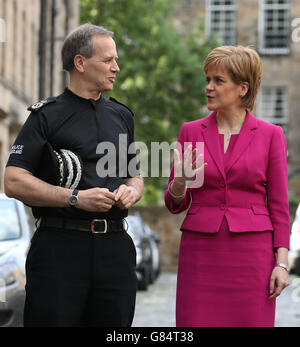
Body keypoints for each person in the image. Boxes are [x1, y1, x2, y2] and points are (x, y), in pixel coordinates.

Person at [4, 23, 143, 327]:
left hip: (116, 249)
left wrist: (132, 190)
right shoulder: (45, 116)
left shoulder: (122, 116)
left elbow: (134, 175)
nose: (116, 68)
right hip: (59, 247)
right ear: (80, 63)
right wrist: (75, 198)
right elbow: (13, 180)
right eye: (108, 61)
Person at [165, 45, 290, 327]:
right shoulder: (191, 131)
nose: (208, 87)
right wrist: (180, 183)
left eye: (218, 81)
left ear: (242, 88)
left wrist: (281, 263)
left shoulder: (271, 135)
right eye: (207, 79)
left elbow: (280, 207)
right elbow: (175, 204)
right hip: (201, 253)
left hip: (252, 255)